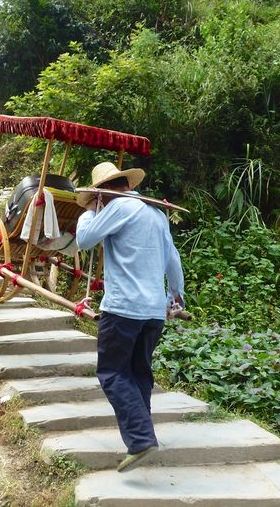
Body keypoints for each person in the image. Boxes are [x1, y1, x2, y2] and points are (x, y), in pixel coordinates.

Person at [75, 161, 184, 473]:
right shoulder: (155, 212)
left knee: (112, 372)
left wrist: (90, 211)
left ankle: (140, 439)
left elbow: (84, 240)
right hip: (153, 313)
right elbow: (173, 259)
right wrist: (175, 297)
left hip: (123, 309)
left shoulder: (118, 206)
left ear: (104, 191)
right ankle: (143, 435)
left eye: (98, 197)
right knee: (138, 373)